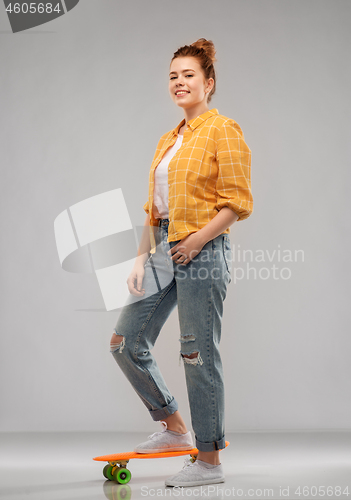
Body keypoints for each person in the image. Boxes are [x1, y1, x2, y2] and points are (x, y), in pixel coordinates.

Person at [110, 38, 253, 487]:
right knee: (124, 342)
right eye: (173, 75)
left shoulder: (222, 129)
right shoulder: (168, 139)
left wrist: (196, 241)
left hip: (204, 249)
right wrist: (139, 261)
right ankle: (174, 430)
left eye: (188, 75)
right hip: (165, 249)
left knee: (196, 353)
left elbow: (238, 202)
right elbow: (153, 210)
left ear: (208, 83)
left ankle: (209, 463)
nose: (179, 82)